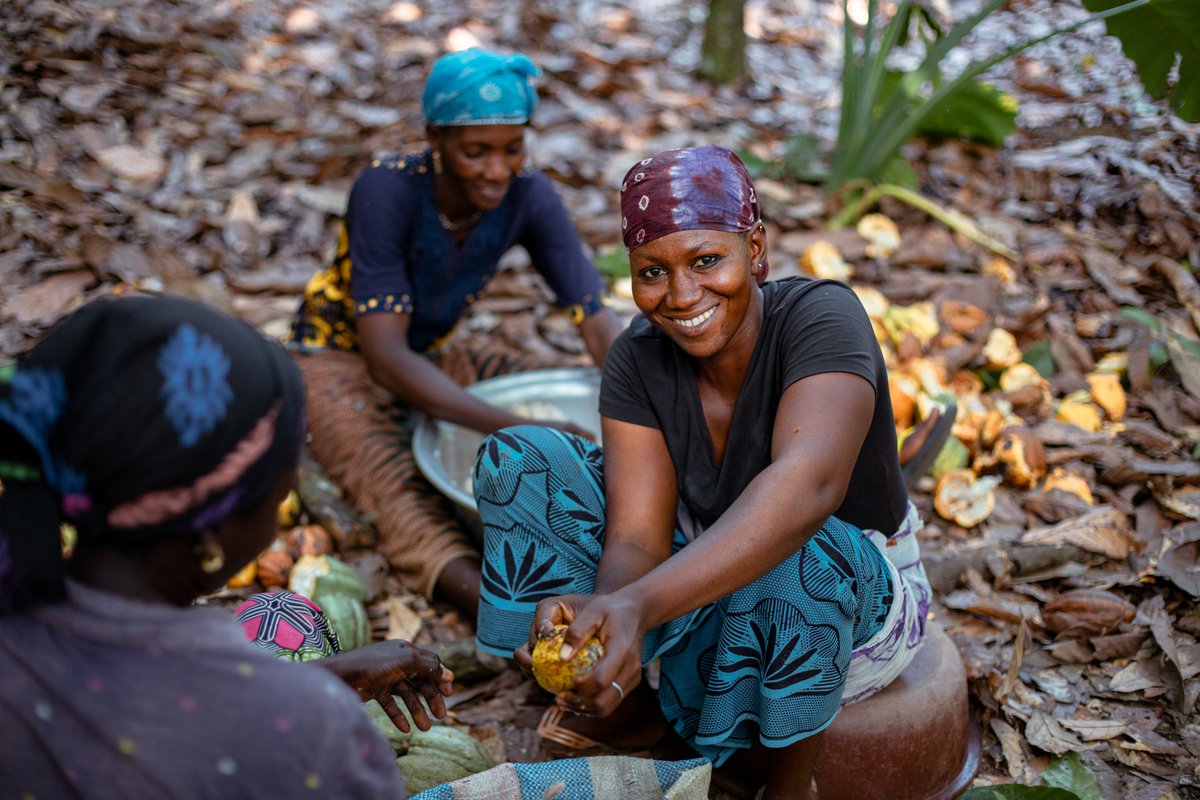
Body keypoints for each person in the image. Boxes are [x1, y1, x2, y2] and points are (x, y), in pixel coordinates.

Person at [471, 146, 932, 799]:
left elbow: (808, 488)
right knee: (523, 459)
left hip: (850, 608)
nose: (682, 295)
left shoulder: (822, 317)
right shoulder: (637, 357)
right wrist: (604, 617)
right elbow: (637, 538)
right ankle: (627, 708)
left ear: (756, 249)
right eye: (652, 272)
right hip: (703, 586)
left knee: (798, 549)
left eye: (707, 260)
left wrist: (639, 606)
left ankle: (788, 783)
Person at [0, 295, 452, 799]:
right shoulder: (316, 734)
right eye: (278, 492)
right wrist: (304, 694)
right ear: (212, 530)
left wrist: (323, 676)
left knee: (276, 613)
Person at [291, 47, 621, 620]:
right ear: (435, 140)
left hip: (434, 353)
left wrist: (640, 404)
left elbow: (592, 313)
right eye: (476, 152)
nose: (498, 170)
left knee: (551, 382)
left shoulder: (528, 195)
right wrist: (519, 429)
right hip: (336, 359)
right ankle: (502, 615)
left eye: (512, 148)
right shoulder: (387, 191)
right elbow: (385, 356)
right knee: (390, 483)